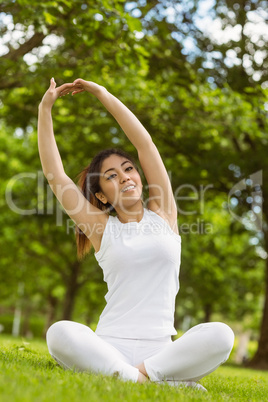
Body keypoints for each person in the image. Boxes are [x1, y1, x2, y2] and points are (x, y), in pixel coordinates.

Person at [38, 78, 234, 390]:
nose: (125, 177)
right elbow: (54, 175)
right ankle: (155, 383)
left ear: (139, 176)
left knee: (222, 334)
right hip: (108, 345)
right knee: (59, 332)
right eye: (111, 176)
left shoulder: (164, 214)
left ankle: (135, 375)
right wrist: (45, 108)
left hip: (161, 350)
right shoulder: (101, 227)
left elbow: (145, 144)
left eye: (128, 169)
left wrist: (103, 93)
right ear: (102, 195)